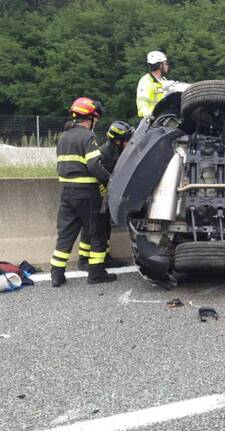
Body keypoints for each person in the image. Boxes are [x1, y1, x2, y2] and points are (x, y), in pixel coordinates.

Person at [50, 97, 117, 287]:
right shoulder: (88, 137)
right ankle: (96, 274)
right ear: (91, 117)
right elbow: (94, 166)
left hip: (67, 192)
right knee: (97, 232)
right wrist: (110, 180)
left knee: (66, 233)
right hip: (87, 193)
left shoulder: (64, 137)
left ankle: (56, 275)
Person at [77, 121, 134, 271]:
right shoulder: (104, 154)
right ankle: (84, 260)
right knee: (93, 228)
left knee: (105, 227)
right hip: (96, 196)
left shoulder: (119, 152)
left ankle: (104, 257)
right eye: (127, 140)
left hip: (106, 196)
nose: (129, 143)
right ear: (117, 140)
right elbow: (102, 175)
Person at [137, 50, 170, 118]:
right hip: (152, 122)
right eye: (165, 63)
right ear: (160, 65)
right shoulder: (146, 81)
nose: (167, 65)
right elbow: (142, 105)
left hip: (164, 118)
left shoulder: (164, 80)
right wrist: (150, 116)